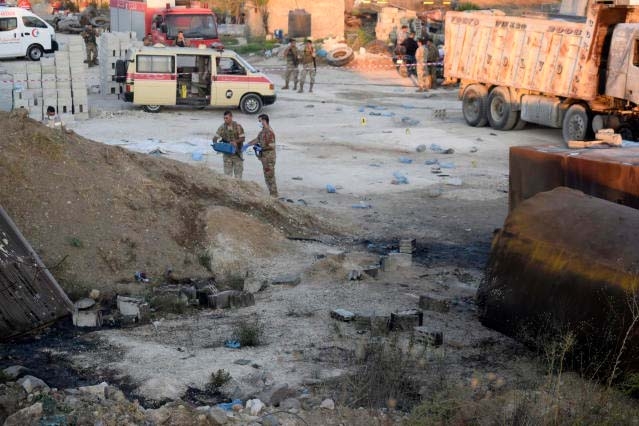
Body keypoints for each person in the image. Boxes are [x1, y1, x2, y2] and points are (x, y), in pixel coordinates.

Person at [247, 114, 278, 197]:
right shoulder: (262, 131)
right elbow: (257, 140)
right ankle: (272, 195)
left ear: (264, 121)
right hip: (264, 159)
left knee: (270, 177)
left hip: (269, 159)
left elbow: (271, 146)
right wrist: (248, 144)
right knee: (267, 177)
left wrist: (261, 148)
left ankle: (274, 196)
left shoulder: (269, 132)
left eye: (260, 121)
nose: (259, 123)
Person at [212, 110, 245, 178]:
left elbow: (242, 138)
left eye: (226, 118)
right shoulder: (222, 127)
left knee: (238, 175)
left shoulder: (237, 126)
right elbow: (215, 138)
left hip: (237, 153)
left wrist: (235, 142)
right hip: (227, 154)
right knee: (227, 176)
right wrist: (216, 145)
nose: (225, 120)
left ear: (231, 117)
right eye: (224, 118)